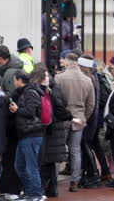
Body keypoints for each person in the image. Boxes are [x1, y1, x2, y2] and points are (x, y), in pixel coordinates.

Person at [54, 53, 95, 192]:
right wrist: (84, 117)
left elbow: (55, 100)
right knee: (75, 151)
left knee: (58, 150)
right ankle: (74, 182)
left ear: (67, 62)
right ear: (77, 62)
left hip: (62, 118)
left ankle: (53, 182)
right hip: (79, 118)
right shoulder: (87, 80)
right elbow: (91, 104)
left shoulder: (59, 77)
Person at [35, 64, 73, 198]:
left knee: (44, 161)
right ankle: (53, 188)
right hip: (57, 128)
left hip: (48, 129)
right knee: (52, 162)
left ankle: (42, 188)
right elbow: (64, 105)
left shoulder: (43, 92)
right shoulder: (57, 90)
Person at [9, 70, 46, 201]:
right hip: (25, 134)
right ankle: (30, 192)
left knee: (31, 166)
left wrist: (17, 109)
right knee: (19, 166)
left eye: (14, 79)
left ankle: (36, 194)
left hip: (32, 134)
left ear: (19, 80)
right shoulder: (24, 93)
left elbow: (31, 112)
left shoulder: (30, 93)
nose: (14, 82)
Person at [77, 56, 101, 189]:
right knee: (85, 146)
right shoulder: (93, 78)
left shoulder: (89, 79)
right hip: (92, 117)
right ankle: (90, 174)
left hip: (89, 118)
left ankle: (93, 174)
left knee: (85, 146)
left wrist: (85, 117)